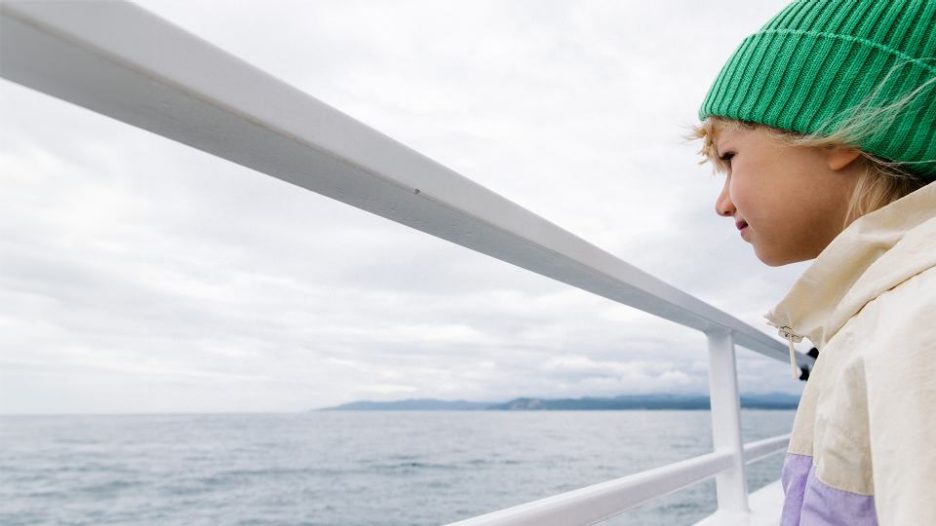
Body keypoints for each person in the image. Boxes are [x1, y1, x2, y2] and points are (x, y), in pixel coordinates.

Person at [693, 0, 935, 524]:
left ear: (840, 132)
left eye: (729, 158)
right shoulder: (882, 314)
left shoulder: (916, 324)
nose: (723, 202)